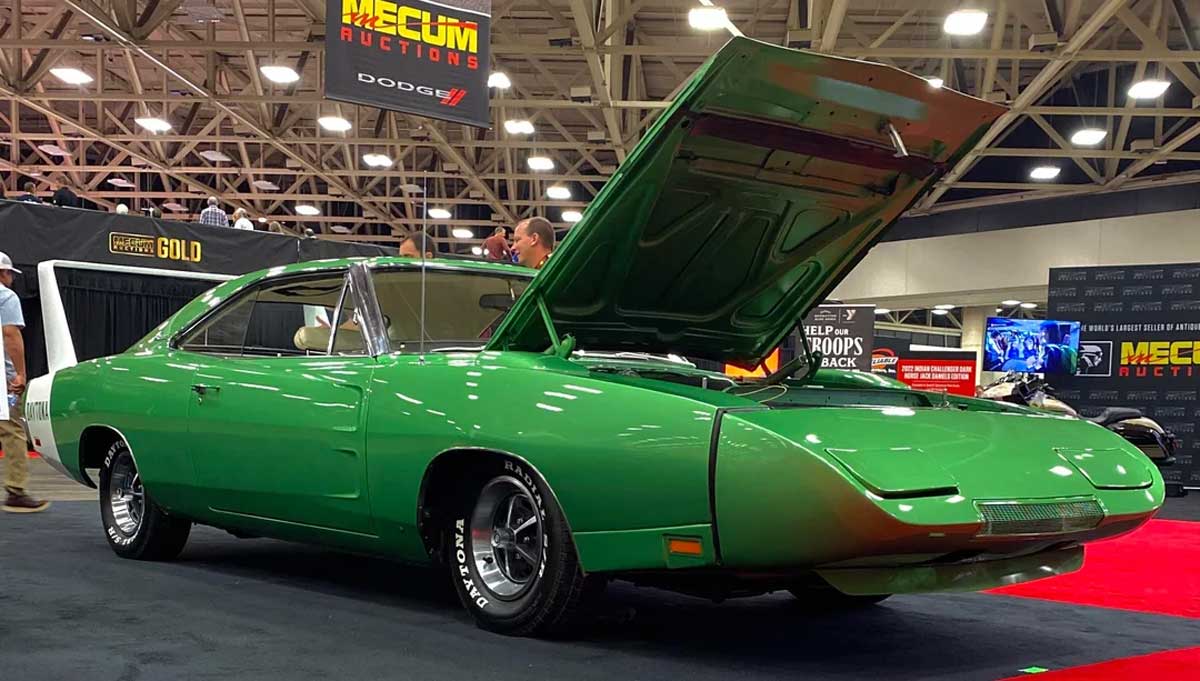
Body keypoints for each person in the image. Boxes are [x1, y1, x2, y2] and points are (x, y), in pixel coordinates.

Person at [0, 252, 47, 513]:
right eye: (9, 273)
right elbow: (10, 334)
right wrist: (20, 373)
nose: (11, 279)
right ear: (2, 273)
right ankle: (16, 491)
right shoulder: (6, 297)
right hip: (2, 377)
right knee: (12, 429)